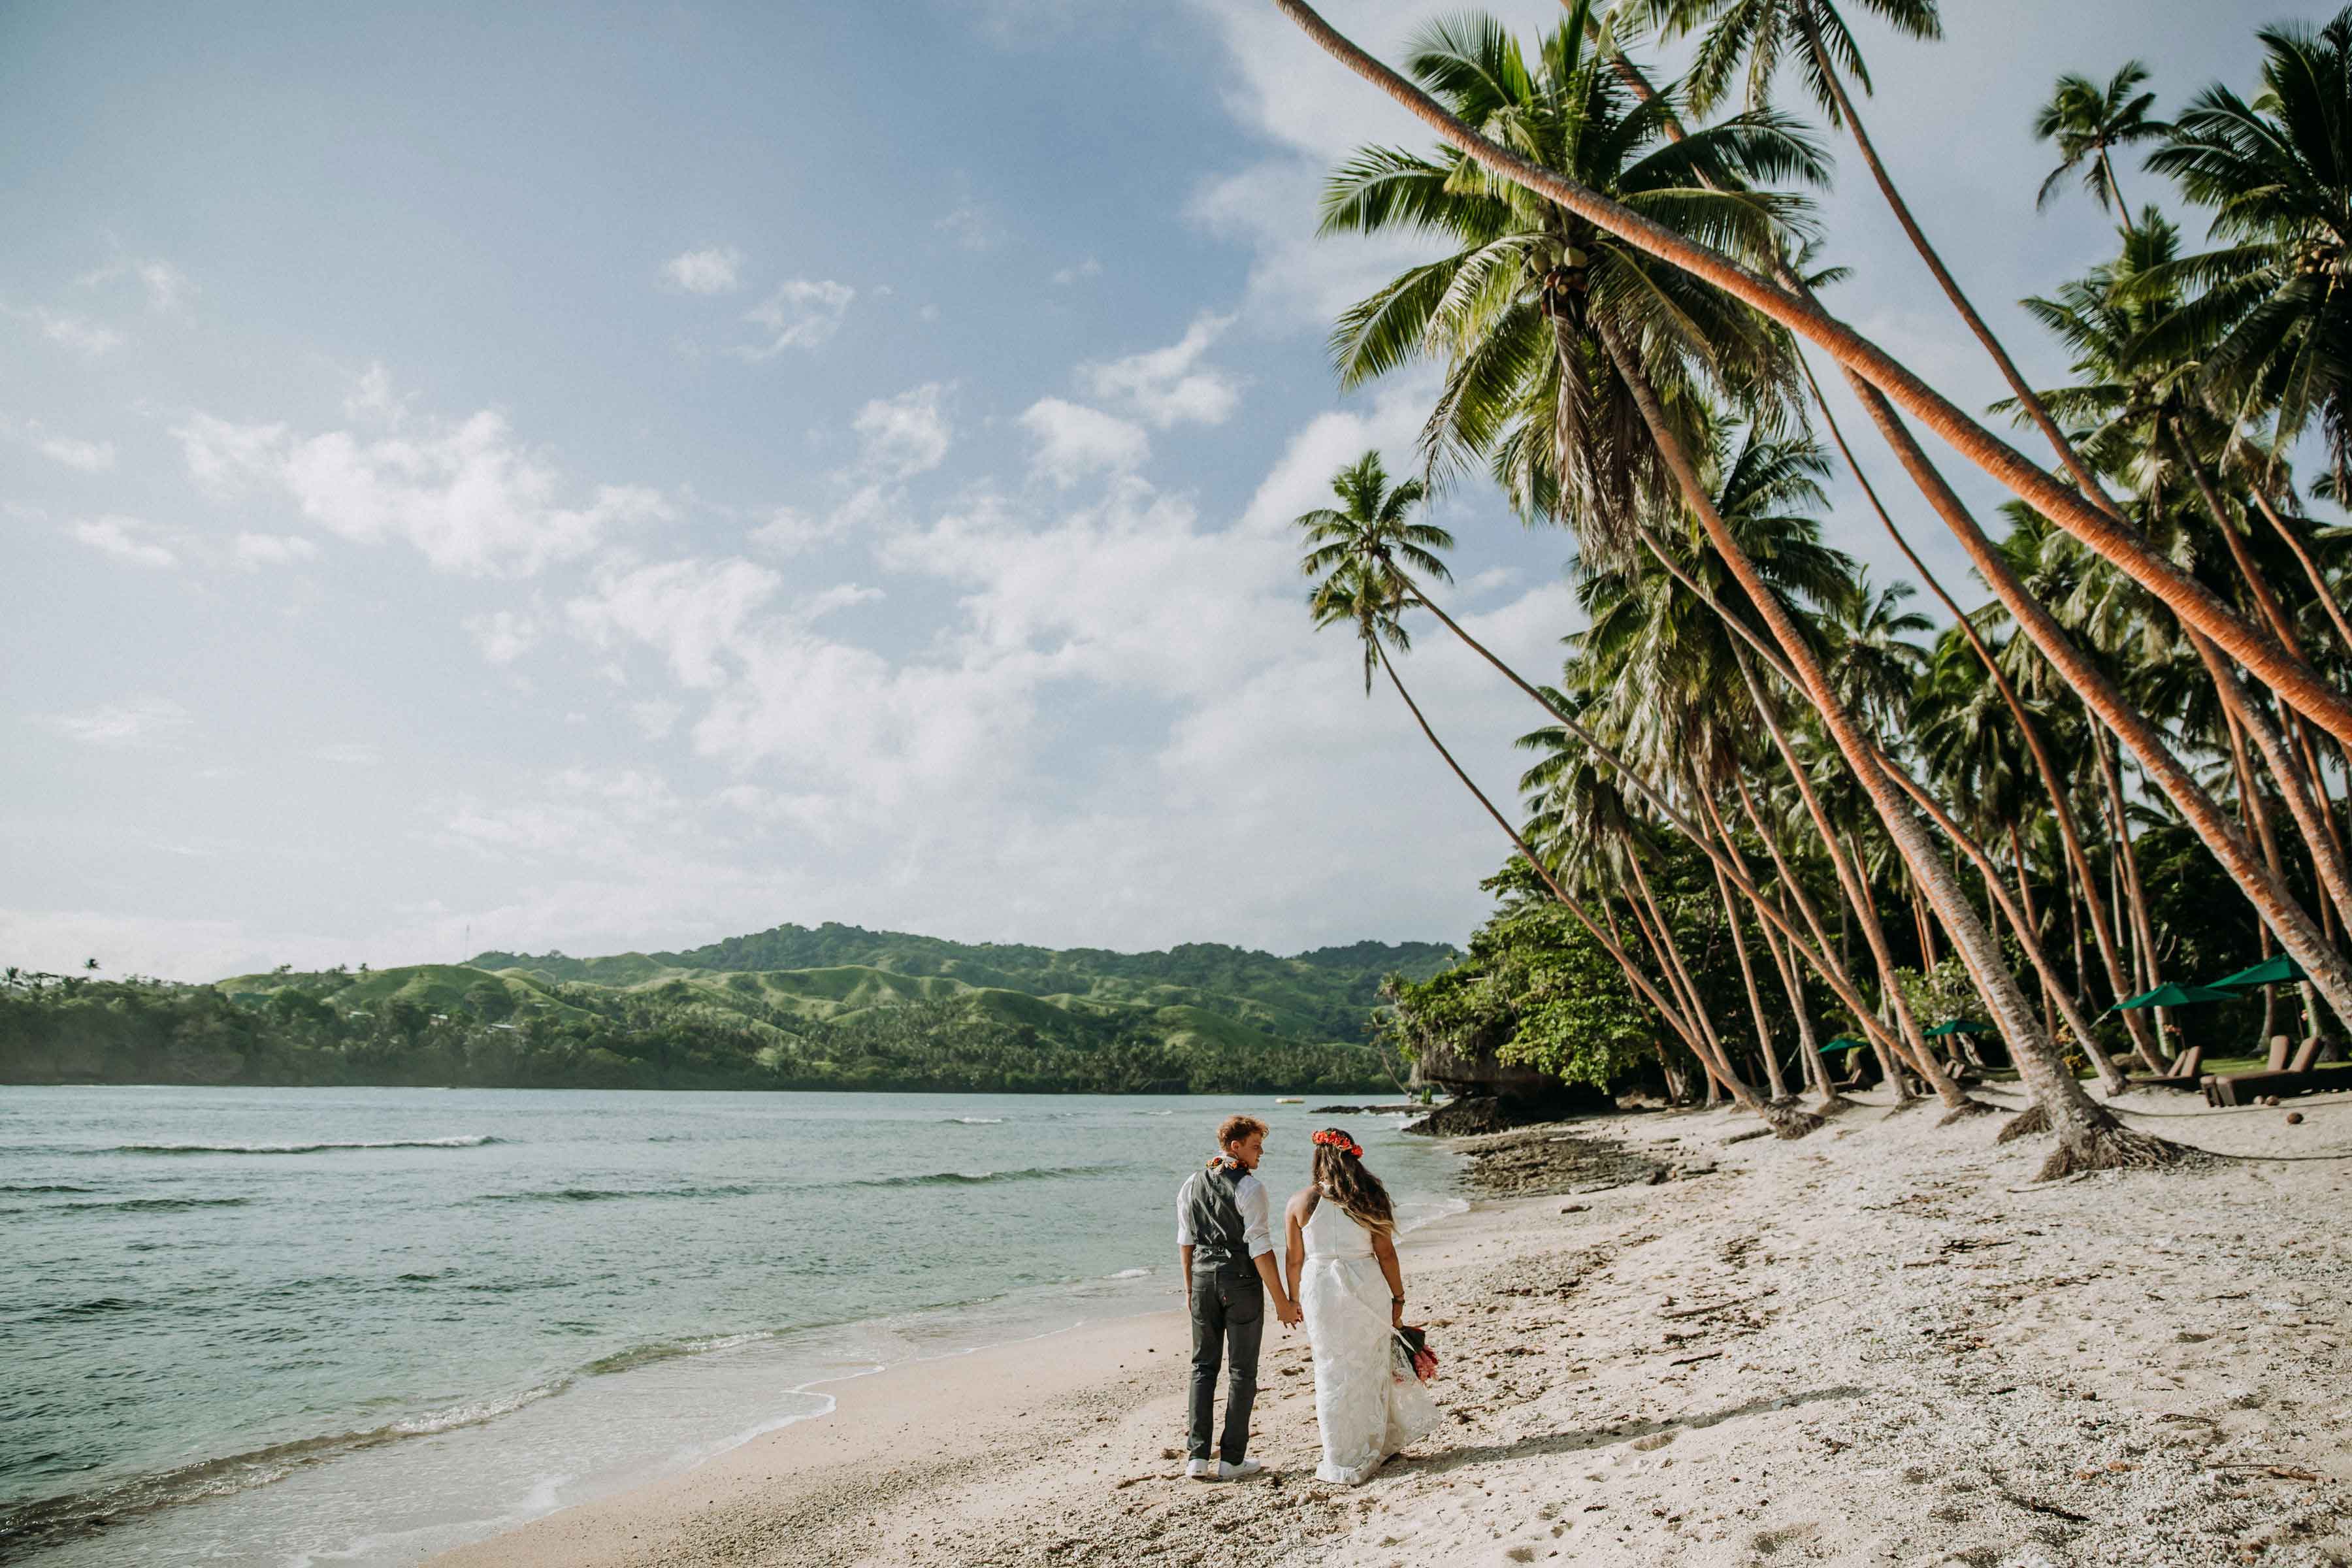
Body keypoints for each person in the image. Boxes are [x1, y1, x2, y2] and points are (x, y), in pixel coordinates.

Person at [1283, 1125, 1438, 1484]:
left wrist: (1293, 1299)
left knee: (1331, 1369)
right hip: (1366, 1285)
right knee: (1370, 1365)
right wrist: (1398, 1298)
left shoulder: (1298, 1202)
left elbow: (1293, 1260)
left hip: (1321, 1288)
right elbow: (1386, 1254)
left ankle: (1339, 1454)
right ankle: (1376, 1442)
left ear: (1318, 1157)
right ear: (1353, 1156)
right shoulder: (1368, 1196)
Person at [1176, 1113, 1301, 1480]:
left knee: (1202, 1367)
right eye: (1256, 1146)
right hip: (1241, 1282)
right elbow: (1260, 1247)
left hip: (1201, 1279)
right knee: (1242, 1372)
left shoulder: (1190, 1183)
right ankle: (1231, 1459)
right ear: (1235, 1147)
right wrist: (1282, 1301)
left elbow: (1186, 1240)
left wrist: (1189, 1289)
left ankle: (1197, 1457)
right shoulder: (1250, 1187)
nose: (1261, 1153)